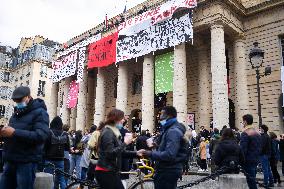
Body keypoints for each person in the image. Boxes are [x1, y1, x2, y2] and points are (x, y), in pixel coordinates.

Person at [0, 86, 50, 189]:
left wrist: (14, 132)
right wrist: (3, 134)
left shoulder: (40, 113)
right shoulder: (16, 114)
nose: (17, 103)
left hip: (26, 162)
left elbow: (41, 136)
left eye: (20, 100)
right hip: (10, 159)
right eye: (15, 100)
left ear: (28, 97)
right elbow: (12, 135)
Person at [95, 109, 144, 189]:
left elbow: (120, 152)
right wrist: (125, 143)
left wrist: (136, 153)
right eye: (122, 118)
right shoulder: (108, 132)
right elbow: (110, 153)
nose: (123, 121)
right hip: (106, 171)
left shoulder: (113, 132)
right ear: (116, 119)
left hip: (110, 170)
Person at [142, 106, 188, 189]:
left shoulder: (173, 131)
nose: (160, 117)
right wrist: (158, 146)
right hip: (167, 169)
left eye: (162, 114)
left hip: (168, 170)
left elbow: (170, 154)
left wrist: (150, 153)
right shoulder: (169, 129)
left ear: (169, 116)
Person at [44, 116, 70, 189]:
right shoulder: (65, 134)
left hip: (49, 158)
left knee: (50, 178)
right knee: (61, 178)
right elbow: (67, 147)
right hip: (60, 158)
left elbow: (45, 145)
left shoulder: (49, 132)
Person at [240, 114, 261, 189]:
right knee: (253, 180)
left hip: (248, 160)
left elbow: (243, 149)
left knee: (251, 182)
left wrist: (241, 161)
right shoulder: (257, 132)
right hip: (256, 159)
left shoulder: (245, 133)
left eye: (242, 122)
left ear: (245, 122)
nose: (242, 123)